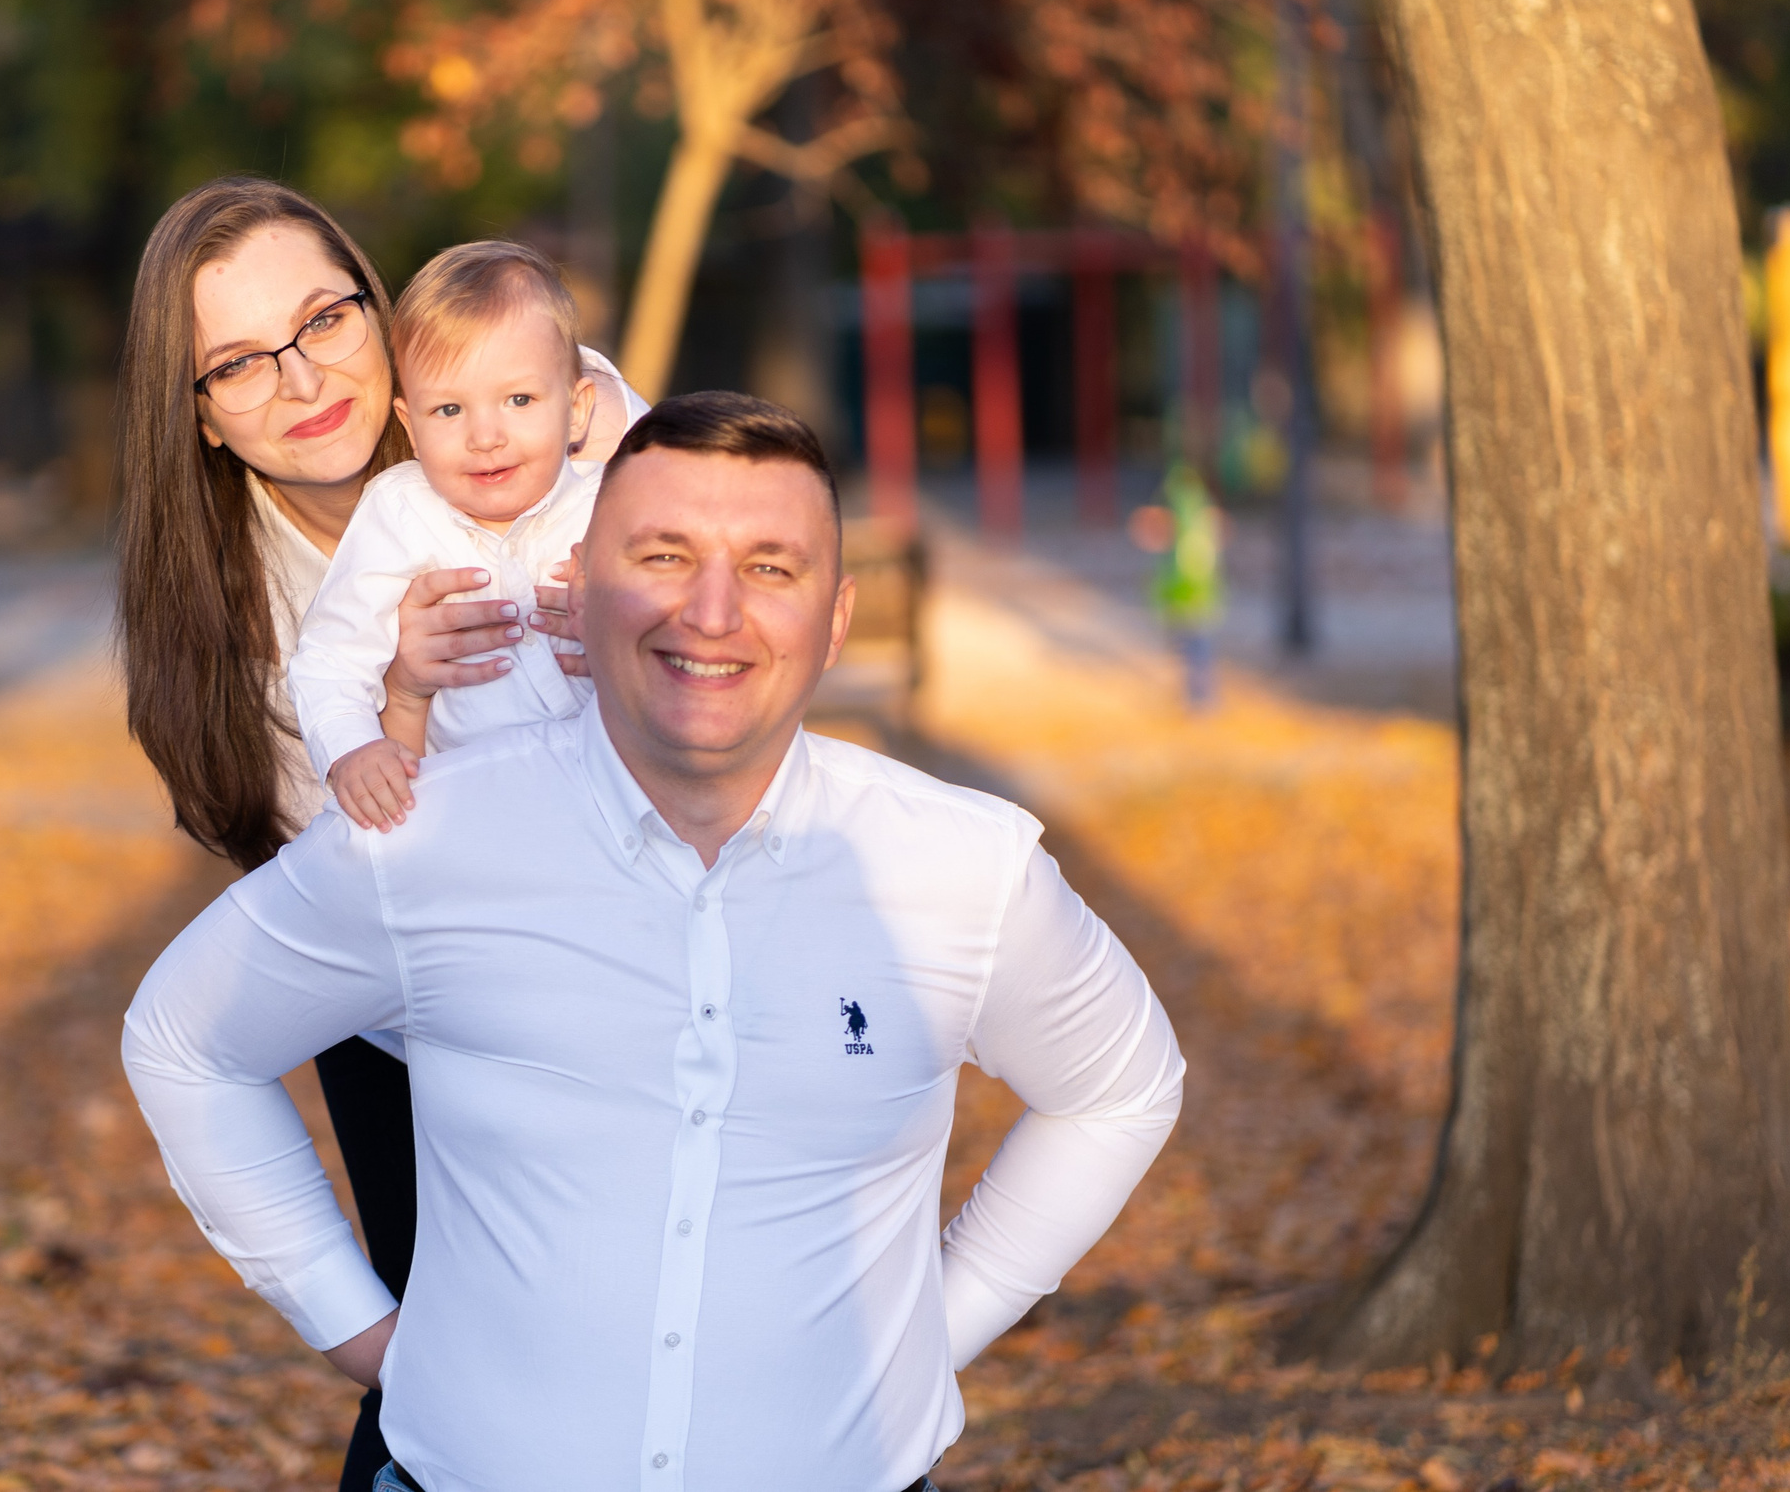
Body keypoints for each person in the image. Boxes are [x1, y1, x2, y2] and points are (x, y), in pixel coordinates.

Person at [124, 392, 1186, 1492]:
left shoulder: (963, 867)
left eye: (771, 567)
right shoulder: (426, 842)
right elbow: (184, 1038)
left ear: (835, 615)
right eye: (663, 556)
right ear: (581, 586)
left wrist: (940, 1326)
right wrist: (350, 1324)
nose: (713, 612)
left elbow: (1121, 1089)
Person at [113, 177, 633, 1490]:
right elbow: (388, 880)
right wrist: (402, 693)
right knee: (467, 1367)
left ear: (381, 314)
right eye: (239, 362)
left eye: (325, 318)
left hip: (637, 937)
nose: (301, 379)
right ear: (204, 421)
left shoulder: (531, 421)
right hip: (410, 1004)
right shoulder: (244, 635)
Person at [294, 240, 636, 829]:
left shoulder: (614, 504)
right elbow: (330, 657)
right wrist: (352, 749)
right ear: (411, 423)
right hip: (472, 817)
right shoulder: (400, 512)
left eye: (519, 399)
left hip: (615, 804)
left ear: (577, 410)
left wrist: (620, 622)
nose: (485, 436)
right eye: (449, 410)